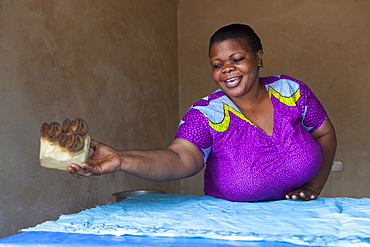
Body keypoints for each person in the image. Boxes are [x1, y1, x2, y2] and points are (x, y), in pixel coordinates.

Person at [68, 24, 337, 202]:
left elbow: (325, 134)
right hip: (233, 229)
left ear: (258, 57)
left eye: (237, 58)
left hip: (299, 220)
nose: (226, 69)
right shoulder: (206, 114)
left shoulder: (292, 91)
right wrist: (121, 159)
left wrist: (314, 186)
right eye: (217, 64)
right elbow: (179, 157)